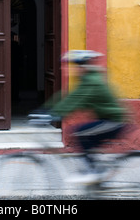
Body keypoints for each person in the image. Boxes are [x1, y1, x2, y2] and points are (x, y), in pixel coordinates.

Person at [45, 50, 129, 184]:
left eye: (77, 66)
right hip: (107, 119)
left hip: (114, 122)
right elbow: (69, 97)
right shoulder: (87, 80)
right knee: (85, 135)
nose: (74, 69)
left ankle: (95, 171)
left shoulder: (91, 82)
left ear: (83, 66)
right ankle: (97, 170)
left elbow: (75, 101)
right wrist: (47, 110)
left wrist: (54, 114)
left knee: (80, 132)